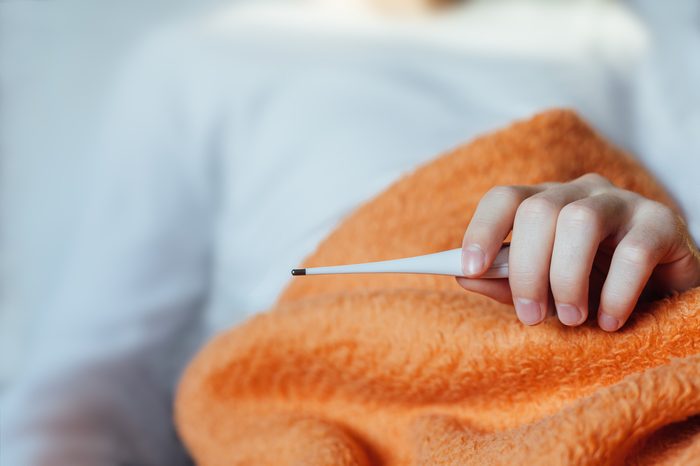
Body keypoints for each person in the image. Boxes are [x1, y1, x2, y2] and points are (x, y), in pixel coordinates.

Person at [2, 0, 699, 464]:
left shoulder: (612, 34)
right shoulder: (200, 58)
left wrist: (675, 267)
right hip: (335, 372)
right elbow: (94, 376)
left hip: (619, 351)